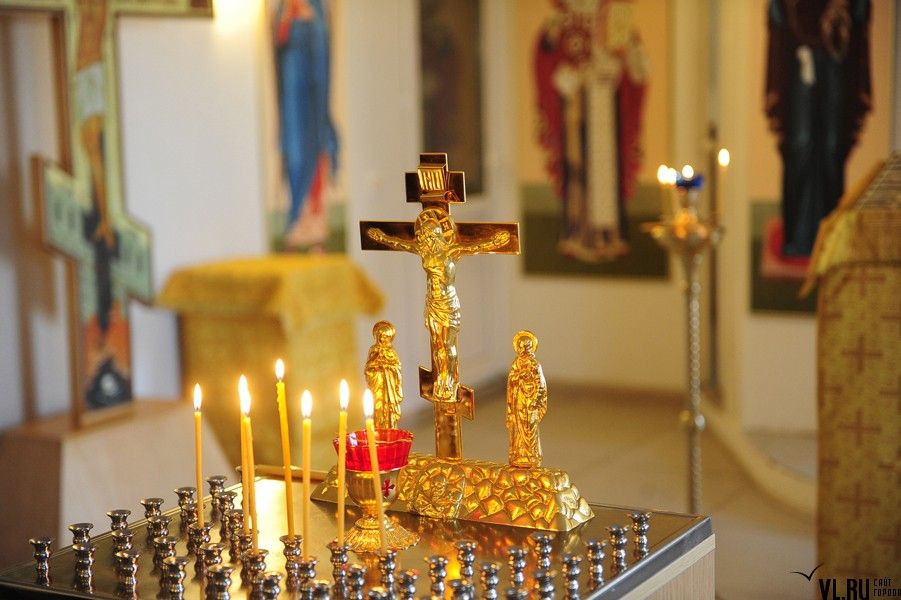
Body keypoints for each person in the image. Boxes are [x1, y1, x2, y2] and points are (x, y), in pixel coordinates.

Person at [367, 208, 509, 403]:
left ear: (438, 234)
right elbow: (400, 244)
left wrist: (495, 241)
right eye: (423, 234)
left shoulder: (451, 251)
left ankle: (448, 379)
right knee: (436, 344)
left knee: (447, 344)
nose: (424, 238)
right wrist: (382, 237)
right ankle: (440, 379)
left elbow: (474, 247)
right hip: (432, 302)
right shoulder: (424, 251)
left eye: (428, 234)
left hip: (447, 303)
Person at [765, 0, 871, 257]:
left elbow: (860, 11)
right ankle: (797, 237)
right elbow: (777, 12)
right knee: (799, 143)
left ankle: (829, 237)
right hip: (799, 51)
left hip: (837, 54)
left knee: (833, 148)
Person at [274, 0, 339, 248]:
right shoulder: (286, 10)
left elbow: (323, 47)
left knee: (316, 145)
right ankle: (296, 222)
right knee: (296, 153)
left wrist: (309, 20)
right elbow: (279, 39)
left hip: (313, 92)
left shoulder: (318, 12)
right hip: (294, 93)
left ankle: (314, 224)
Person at [506, 330, 548, 468]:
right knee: (519, 426)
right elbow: (512, 380)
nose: (524, 350)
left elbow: (541, 384)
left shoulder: (535, 364)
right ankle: (519, 454)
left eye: (527, 347)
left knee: (530, 427)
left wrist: (535, 401)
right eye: (522, 347)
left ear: (531, 347)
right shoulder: (516, 363)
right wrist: (520, 375)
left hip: (531, 400)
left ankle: (532, 454)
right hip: (519, 398)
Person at [364, 321, 404, 429]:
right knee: (378, 406)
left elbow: (397, 366)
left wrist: (388, 367)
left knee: (389, 407)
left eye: (386, 337)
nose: (383, 339)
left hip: (389, 385)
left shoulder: (391, 351)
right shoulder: (374, 350)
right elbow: (368, 367)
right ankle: (378, 428)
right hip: (378, 383)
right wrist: (377, 367)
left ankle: (391, 427)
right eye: (381, 336)